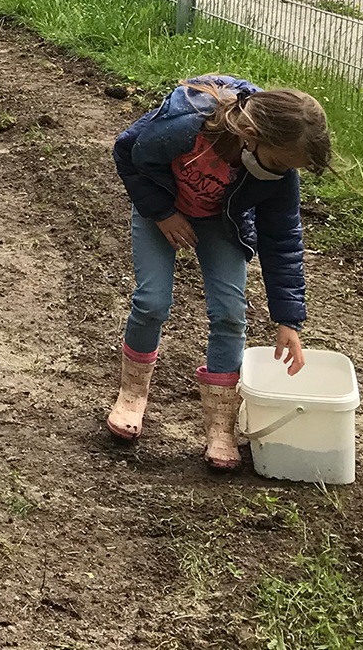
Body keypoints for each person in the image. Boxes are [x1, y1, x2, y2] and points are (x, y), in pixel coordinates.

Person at [106, 75, 331, 469]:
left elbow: (282, 240)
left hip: (220, 221)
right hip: (162, 207)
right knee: (152, 301)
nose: (281, 173)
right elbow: (128, 153)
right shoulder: (184, 126)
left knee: (230, 313)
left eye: (288, 169)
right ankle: (131, 396)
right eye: (278, 163)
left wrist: (289, 319)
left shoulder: (279, 176)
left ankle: (221, 427)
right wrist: (162, 213)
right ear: (249, 134)